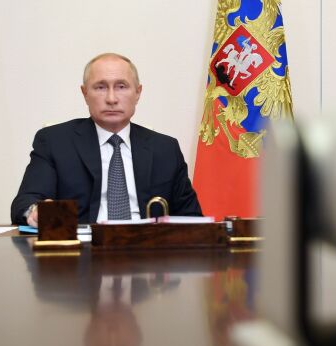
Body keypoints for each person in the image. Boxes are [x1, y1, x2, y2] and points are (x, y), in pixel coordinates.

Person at [11, 53, 201, 226]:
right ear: (85, 93)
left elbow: (192, 218)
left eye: (121, 86)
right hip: (81, 254)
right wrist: (35, 211)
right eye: (101, 87)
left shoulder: (165, 149)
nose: (111, 98)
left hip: (147, 252)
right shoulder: (54, 142)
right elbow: (26, 200)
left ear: (138, 92)